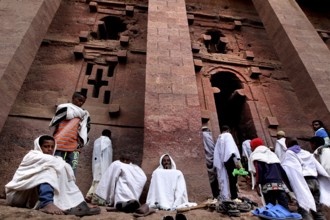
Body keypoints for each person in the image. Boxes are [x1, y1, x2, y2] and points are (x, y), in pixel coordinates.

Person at [5, 135, 100, 216]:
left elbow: (61, 166)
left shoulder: (56, 160)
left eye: (52, 146)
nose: (50, 149)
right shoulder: (32, 156)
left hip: (34, 198)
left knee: (61, 171)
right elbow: (56, 163)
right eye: (46, 146)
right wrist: (61, 163)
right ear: (39, 146)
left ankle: (78, 202)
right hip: (19, 196)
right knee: (48, 170)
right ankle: (47, 203)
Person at [282, 137, 330, 220]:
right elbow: (318, 167)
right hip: (315, 182)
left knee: (304, 209)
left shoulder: (289, 153)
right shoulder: (306, 152)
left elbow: (292, 170)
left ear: (287, 144)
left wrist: (292, 186)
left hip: (304, 182)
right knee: (317, 211)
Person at [49, 91, 91, 175]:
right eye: (79, 100)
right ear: (73, 98)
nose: (81, 102)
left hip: (74, 146)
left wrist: (80, 144)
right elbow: (57, 123)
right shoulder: (63, 108)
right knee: (55, 169)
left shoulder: (84, 114)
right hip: (58, 143)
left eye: (83, 101)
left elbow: (85, 129)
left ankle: (68, 187)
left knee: (71, 172)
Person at [249, 138, 290, 210]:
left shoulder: (256, 155)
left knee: (270, 205)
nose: (251, 149)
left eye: (251, 147)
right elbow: (281, 170)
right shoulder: (272, 154)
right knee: (283, 203)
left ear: (254, 146)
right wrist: (287, 183)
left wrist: (257, 184)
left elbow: (259, 170)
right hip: (278, 182)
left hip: (267, 183)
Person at [213, 125, 242, 201]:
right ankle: (234, 196)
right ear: (228, 130)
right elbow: (231, 150)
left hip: (223, 161)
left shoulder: (219, 138)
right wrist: (236, 161)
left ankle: (227, 195)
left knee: (225, 178)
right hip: (230, 159)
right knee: (233, 179)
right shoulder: (228, 135)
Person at [85, 129, 113, 204]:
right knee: (100, 180)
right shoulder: (107, 141)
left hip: (96, 163)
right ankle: (95, 197)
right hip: (103, 163)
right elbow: (107, 155)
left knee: (96, 179)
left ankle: (89, 195)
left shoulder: (97, 140)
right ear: (109, 135)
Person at [201, 126, 219, 199]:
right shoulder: (208, 136)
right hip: (212, 158)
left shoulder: (202, 136)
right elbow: (212, 148)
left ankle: (215, 194)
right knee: (214, 177)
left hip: (206, 158)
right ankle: (216, 194)